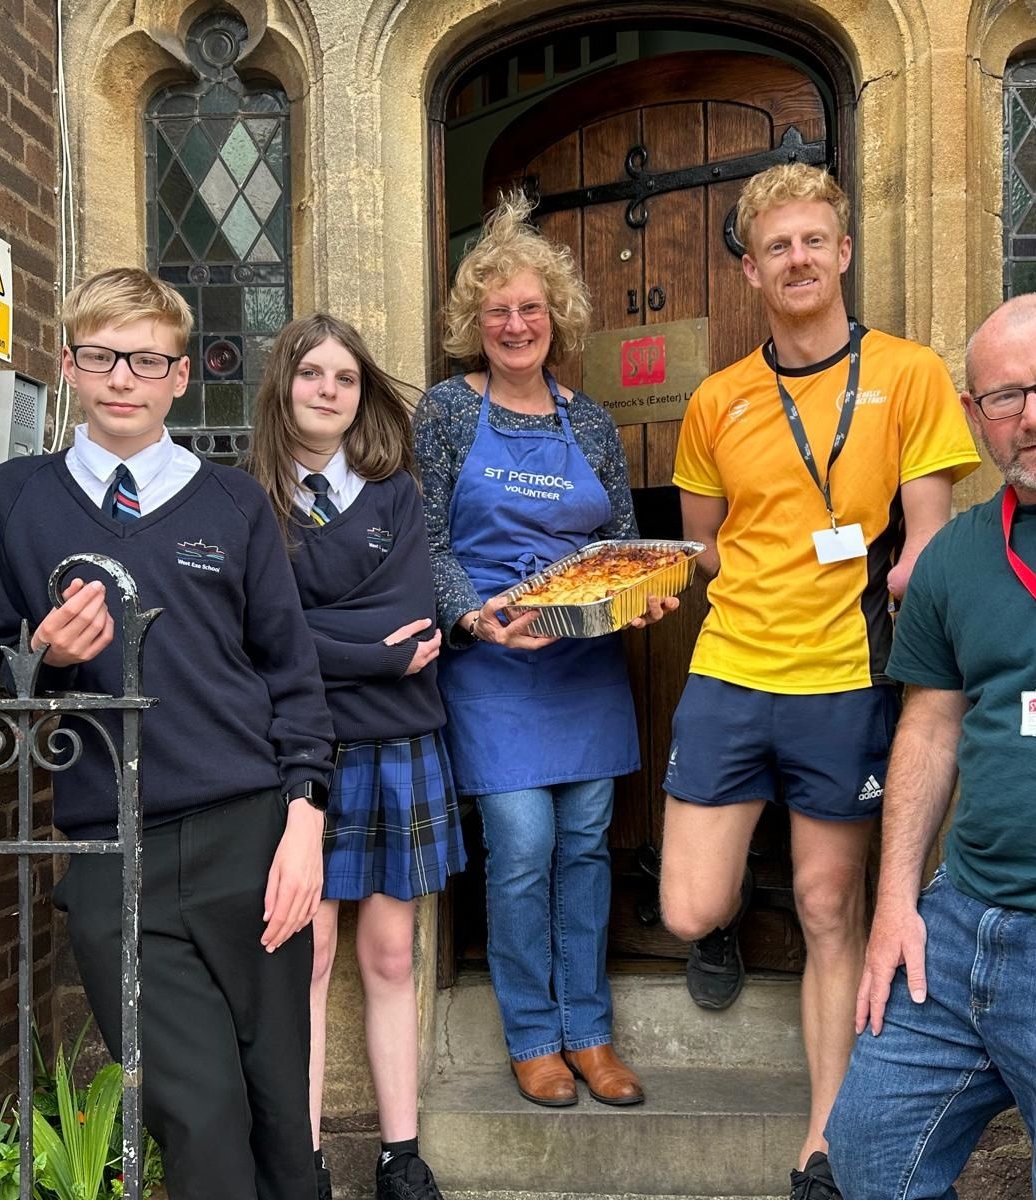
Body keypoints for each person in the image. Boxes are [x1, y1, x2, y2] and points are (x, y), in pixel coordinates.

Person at [656, 163, 981, 1198]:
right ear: (750, 270)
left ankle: (824, 1142)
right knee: (684, 909)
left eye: (814, 240)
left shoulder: (911, 371)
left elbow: (928, 531)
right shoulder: (717, 398)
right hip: (732, 668)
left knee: (832, 907)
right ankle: (725, 932)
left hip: (848, 676)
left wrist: (909, 581)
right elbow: (702, 540)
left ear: (842, 251)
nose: (797, 259)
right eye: (776, 247)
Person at [0, 268, 335, 1200]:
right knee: (194, 1108)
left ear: (181, 375)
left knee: (275, 1099)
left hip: (249, 832)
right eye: (100, 357)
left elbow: (291, 674)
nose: (122, 379)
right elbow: (0, 681)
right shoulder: (19, 499)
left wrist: (305, 821)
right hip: (112, 848)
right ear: (68, 366)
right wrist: (44, 658)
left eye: (146, 360)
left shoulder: (232, 503)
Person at [829, 292, 1036, 1198]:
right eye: (1006, 398)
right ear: (974, 419)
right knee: (867, 1155)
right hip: (959, 923)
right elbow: (929, 730)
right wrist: (896, 905)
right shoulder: (953, 559)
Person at [413, 193, 675, 1110]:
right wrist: (473, 616)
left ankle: (590, 1034)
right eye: (497, 311)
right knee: (522, 845)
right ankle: (534, 1036)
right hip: (492, 662)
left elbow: (625, 541)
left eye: (530, 308)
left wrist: (639, 594)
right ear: (473, 324)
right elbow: (428, 540)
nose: (515, 324)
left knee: (588, 846)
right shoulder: (447, 411)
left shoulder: (590, 420)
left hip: (582, 664)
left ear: (555, 316)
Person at [248, 313, 465, 1200]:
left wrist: (316, 636)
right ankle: (298, 1167)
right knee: (310, 954)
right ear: (285, 387)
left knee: (388, 954)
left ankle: (398, 1157)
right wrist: (370, 650)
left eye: (344, 377)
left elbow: (415, 613)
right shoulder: (247, 502)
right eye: (312, 374)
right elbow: (257, 640)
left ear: (361, 392)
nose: (329, 389)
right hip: (303, 751)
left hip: (401, 742)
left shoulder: (396, 494)